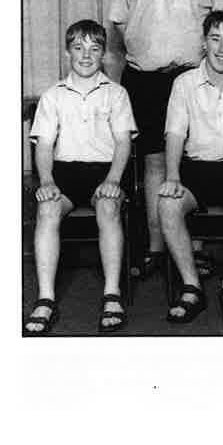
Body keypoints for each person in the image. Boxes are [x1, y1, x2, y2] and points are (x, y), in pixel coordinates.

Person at [109, 0, 223, 277]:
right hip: (143, 78)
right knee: (153, 161)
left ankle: (193, 249)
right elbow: (120, 22)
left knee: (189, 161)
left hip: (192, 78)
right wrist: (150, 49)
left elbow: (222, 23)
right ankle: (157, 248)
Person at [24, 20, 136, 335]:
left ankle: (112, 295)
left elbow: (123, 142)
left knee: (108, 208)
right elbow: (44, 145)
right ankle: (45, 298)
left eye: (94, 49)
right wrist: (47, 181)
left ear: (103, 54)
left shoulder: (116, 93)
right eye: (78, 48)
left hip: (105, 171)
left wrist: (113, 179)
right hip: (64, 173)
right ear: (67, 52)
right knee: (47, 209)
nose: (86, 56)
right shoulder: (52, 96)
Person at [158, 11, 223, 326]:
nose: (222, 48)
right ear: (204, 43)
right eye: (215, 39)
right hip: (194, 169)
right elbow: (175, 134)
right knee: (167, 204)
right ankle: (191, 286)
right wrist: (172, 177)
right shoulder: (184, 82)